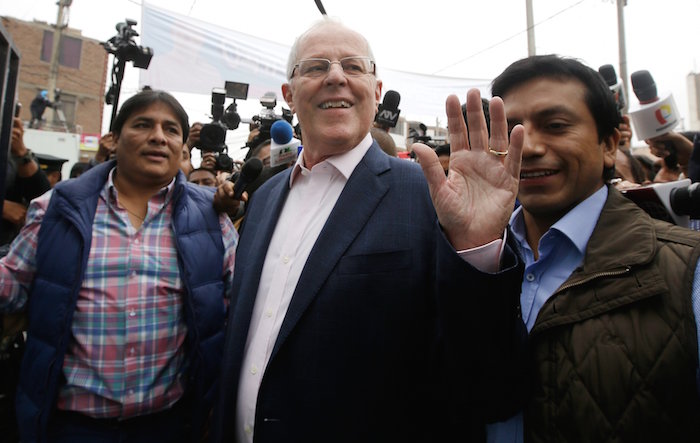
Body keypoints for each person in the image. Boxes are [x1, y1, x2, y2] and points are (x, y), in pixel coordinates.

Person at [212, 19, 528, 443]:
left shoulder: (429, 197)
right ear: (289, 95)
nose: (336, 77)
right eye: (316, 66)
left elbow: (487, 381)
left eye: (354, 67)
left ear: (376, 91)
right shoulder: (266, 199)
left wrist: (477, 251)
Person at [0, 90, 238, 442]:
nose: (158, 136)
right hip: (71, 427)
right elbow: (10, 289)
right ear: (114, 138)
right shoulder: (57, 208)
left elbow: (241, 308)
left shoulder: (211, 219)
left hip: (169, 426)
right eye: (143, 124)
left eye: (171, 130)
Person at [487, 54, 700, 442]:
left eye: (555, 126)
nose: (529, 146)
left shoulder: (689, 270)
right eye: (511, 128)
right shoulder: (469, 260)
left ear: (609, 145)